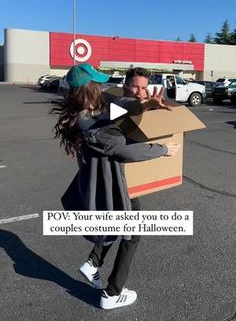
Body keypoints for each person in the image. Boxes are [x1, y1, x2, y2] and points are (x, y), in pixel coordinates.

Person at [51, 63, 180, 310]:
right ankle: (112, 293)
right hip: (111, 186)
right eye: (97, 84)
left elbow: (116, 110)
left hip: (107, 181)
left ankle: (92, 264)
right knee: (133, 233)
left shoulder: (87, 113)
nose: (101, 87)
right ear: (89, 89)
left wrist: (145, 105)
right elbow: (123, 150)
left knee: (117, 227)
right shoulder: (93, 127)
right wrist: (163, 150)